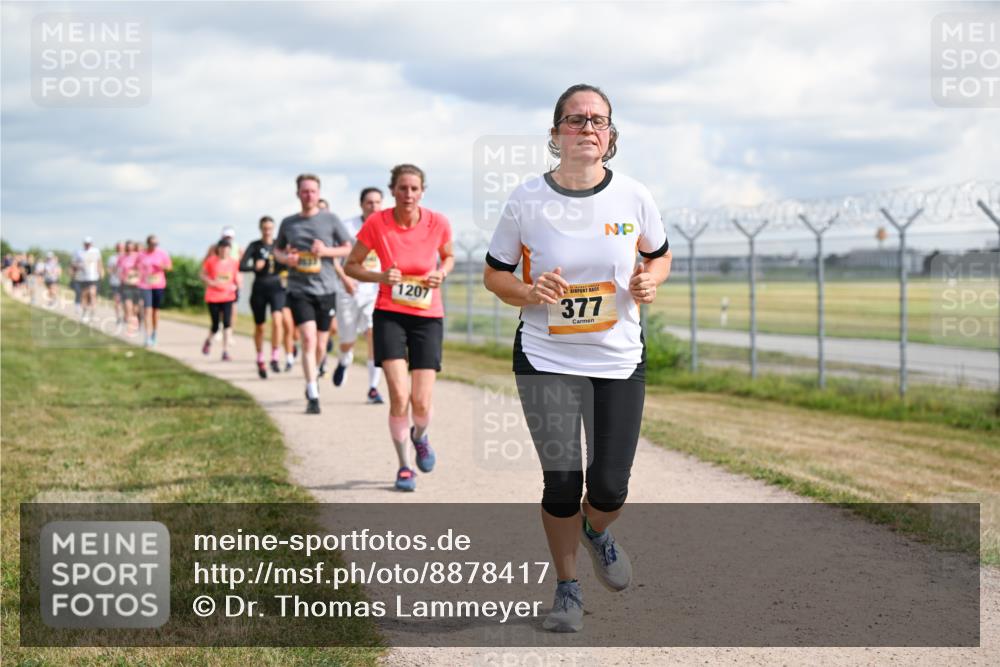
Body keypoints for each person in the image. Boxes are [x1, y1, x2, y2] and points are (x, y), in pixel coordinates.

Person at [483, 84, 671, 633]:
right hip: (546, 356)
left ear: (610, 135)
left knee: (609, 487)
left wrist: (648, 281)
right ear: (555, 132)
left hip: (617, 358)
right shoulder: (525, 198)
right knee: (562, 480)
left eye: (599, 120)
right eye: (575, 119)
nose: (587, 127)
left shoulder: (634, 196)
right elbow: (494, 273)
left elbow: (658, 258)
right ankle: (567, 588)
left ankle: (596, 530)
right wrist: (527, 291)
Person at [345, 164, 454, 492]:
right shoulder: (377, 223)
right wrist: (380, 277)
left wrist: (442, 273)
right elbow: (351, 265)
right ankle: (405, 467)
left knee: (421, 402)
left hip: (427, 316)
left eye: (414, 189)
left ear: (422, 191)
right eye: (402, 188)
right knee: (399, 395)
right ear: (392, 190)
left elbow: (448, 257)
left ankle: (420, 437)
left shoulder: (438, 223)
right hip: (389, 313)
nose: (408, 194)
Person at [274, 174, 352, 414]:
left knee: (320, 343)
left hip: (326, 289)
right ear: (298, 194)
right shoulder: (289, 223)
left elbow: (349, 247)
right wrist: (287, 258)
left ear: (319, 194)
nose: (309, 195)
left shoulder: (330, 220)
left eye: (313, 191)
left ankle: (314, 377)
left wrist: (326, 250)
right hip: (300, 290)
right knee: (307, 339)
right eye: (305, 191)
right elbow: (276, 250)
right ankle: (313, 394)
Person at [332, 187, 386, 404]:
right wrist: (345, 278)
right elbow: (334, 258)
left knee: (374, 335)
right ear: (361, 204)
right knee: (347, 339)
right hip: (348, 290)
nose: (373, 206)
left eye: (377, 202)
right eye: (369, 203)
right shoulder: (347, 227)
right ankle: (345, 359)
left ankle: (373, 388)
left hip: (374, 290)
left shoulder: (387, 226)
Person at [240, 216, 289, 378]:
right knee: (260, 326)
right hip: (259, 287)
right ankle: (260, 357)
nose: (267, 231)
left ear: (273, 229)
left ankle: (275, 356)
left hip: (276, 287)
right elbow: (241, 266)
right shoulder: (255, 246)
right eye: (265, 228)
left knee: (277, 320)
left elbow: (287, 263)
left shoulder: (278, 245)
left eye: (270, 228)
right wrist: (255, 266)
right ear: (260, 229)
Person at [201, 238, 242, 361]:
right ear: (218, 249)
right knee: (215, 325)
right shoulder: (211, 261)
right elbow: (202, 274)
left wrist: (238, 285)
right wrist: (210, 281)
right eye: (222, 248)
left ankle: (225, 351)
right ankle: (208, 341)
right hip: (213, 297)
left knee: (227, 324)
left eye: (227, 248)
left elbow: (237, 277)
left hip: (228, 296)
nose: (224, 250)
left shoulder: (234, 263)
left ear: (230, 250)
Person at [316, 198, 340, 376]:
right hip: (314, 288)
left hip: (334, 287)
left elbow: (343, 255)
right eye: (319, 209)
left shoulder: (334, 232)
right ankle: (321, 360)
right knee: (316, 333)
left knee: (333, 328)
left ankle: (325, 345)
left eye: (324, 209)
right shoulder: (308, 234)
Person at [137, 234, 173, 347]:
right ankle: (147, 337)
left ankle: (154, 333)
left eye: (156, 244)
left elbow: (169, 267)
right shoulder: (141, 254)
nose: (154, 246)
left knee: (155, 311)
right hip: (145, 285)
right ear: (148, 244)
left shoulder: (162, 253)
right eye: (152, 244)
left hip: (158, 285)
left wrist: (162, 266)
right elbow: (135, 267)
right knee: (147, 310)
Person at [72, 237, 103, 322]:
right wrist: (77, 268)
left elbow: (99, 263)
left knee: (92, 294)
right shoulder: (79, 252)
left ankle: (92, 313)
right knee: (84, 295)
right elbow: (74, 263)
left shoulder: (96, 251)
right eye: (86, 243)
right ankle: (85, 313)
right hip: (83, 277)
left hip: (93, 277)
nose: (87, 245)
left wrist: (101, 273)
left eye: (89, 243)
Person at [117, 241, 144, 334]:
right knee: (128, 307)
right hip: (126, 285)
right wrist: (122, 279)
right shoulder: (121, 258)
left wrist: (136, 274)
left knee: (136, 309)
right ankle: (131, 329)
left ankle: (137, 323)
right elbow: (119, 271)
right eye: (127, 248)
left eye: (131, 248)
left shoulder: (138, 256)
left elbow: (142, 270)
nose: (129, 250)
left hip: (137, 286)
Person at [107, 241, 125, 324]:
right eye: (119, 247)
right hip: (115, 282)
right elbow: (109, 270)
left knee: (126, 301)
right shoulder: (112, 258)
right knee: (117, 300)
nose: (120, 249)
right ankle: (118, 317)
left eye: (121, 247)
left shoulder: (127, 257)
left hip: (126, 282)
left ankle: (126, 316)